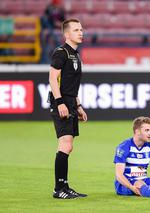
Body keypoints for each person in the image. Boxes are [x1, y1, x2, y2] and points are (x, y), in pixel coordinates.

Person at [49, 18, 88, 199]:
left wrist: (78, 105)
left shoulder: (76, 55)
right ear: (66, 34)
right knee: (65, 144)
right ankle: (59, 189)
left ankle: (64, 186)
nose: (81, 32)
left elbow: (71, 85)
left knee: (68, 146)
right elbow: (53, 79)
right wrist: (60, 102)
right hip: (62, 103)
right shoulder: (61, 52)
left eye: (81, 29)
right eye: (76, 30)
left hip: (71, 102)